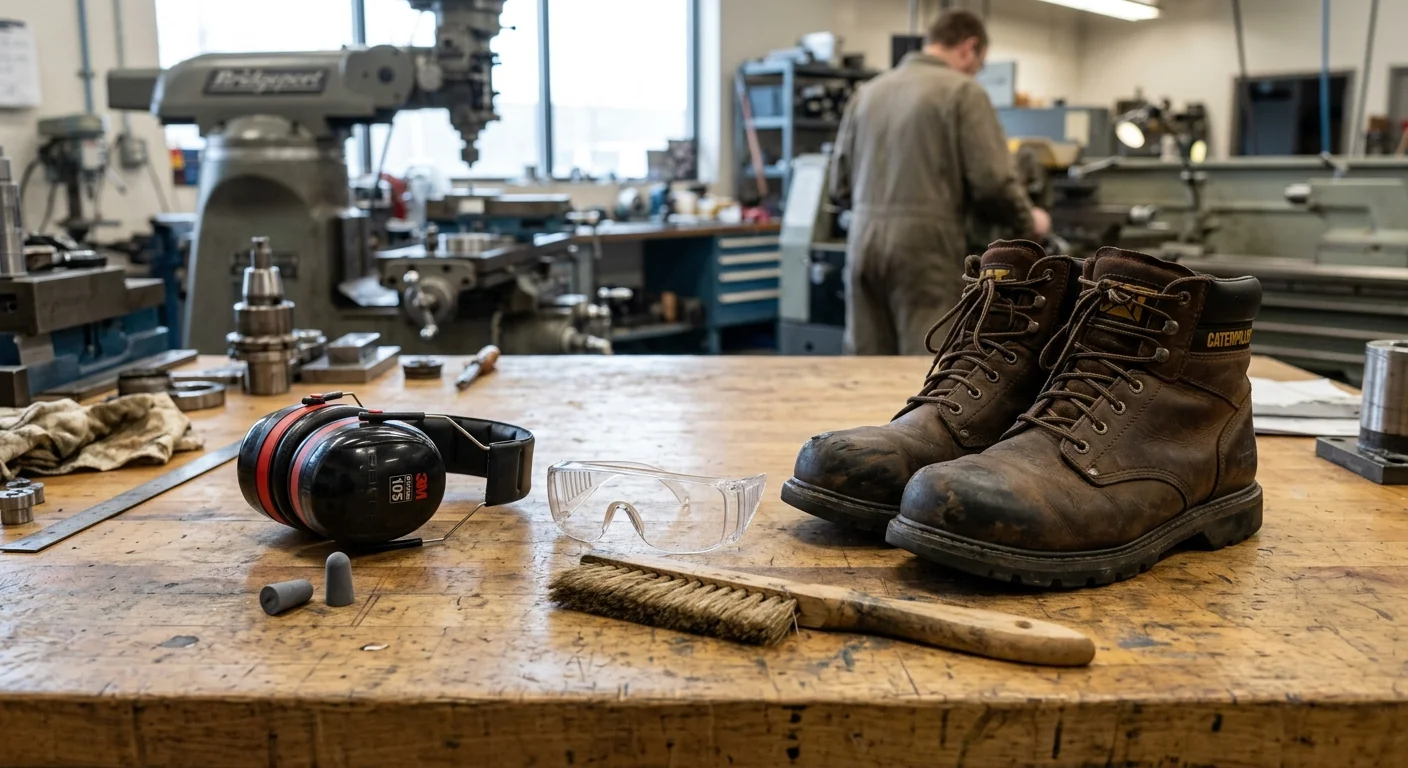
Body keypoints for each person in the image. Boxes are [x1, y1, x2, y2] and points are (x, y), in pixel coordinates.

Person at [830, 9, 1051, 355]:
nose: (976, 72)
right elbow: (992, 181)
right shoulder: (963, 92)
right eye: (979, 65)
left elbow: (839, 186)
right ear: (969, 47)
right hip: (926, 248)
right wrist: (1028, 222)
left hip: (862, 240)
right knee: (925, 367)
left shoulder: (866, 93)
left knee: (864, 363)